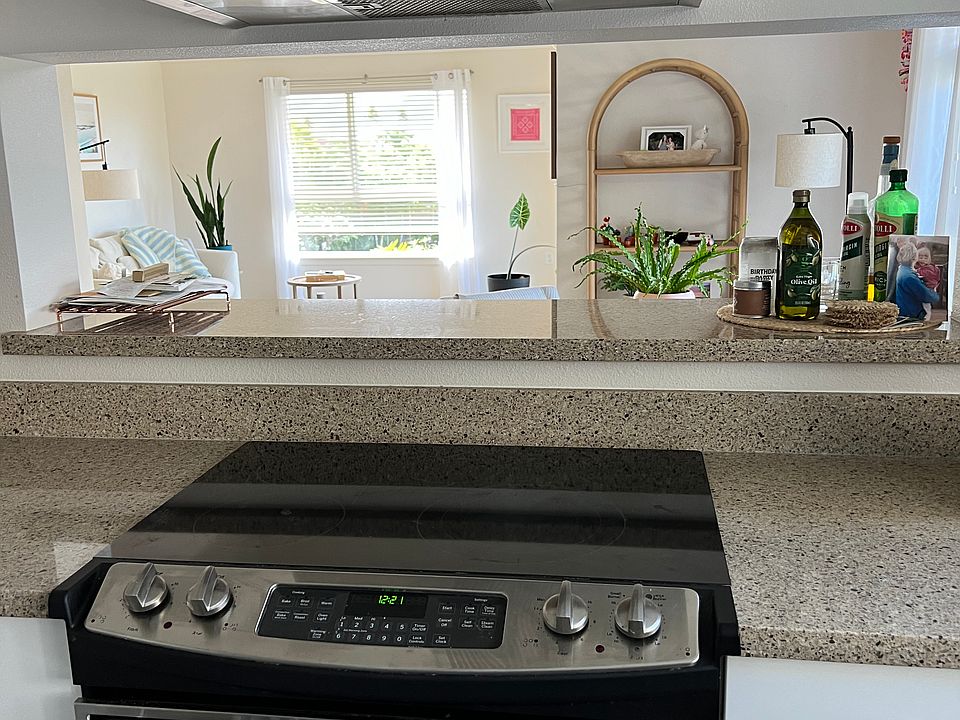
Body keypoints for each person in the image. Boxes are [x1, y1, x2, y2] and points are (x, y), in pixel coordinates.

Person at [893, 242, 939, 319]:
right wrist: (936, 295)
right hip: (911, 315)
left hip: (905, 310)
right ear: (915, 257)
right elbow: (927, 296)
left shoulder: (902, 269)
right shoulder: (909, 276)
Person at [915, 245, 941, 320]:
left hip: (928, 289)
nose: (923, 260)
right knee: (922, 305)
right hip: (924, 289)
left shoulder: (930, 268)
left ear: (929, 258)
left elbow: (926, 274)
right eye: (920, 257)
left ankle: (927, 319)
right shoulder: (920, 267)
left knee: (926, 306)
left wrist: (917, 271)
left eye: (925, 258)